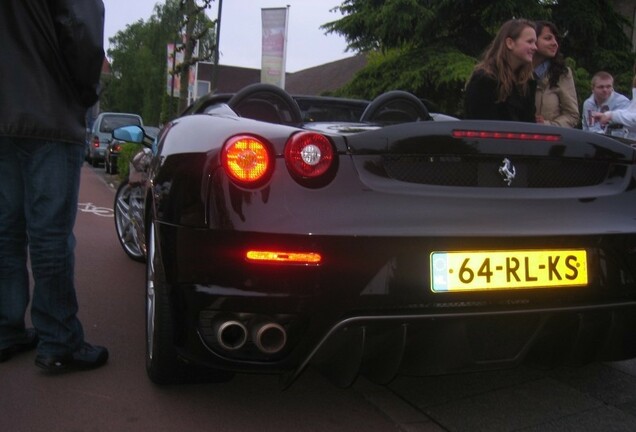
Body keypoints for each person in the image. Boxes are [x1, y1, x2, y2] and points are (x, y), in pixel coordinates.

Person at [0, 0, 109, 371]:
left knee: (6, 231)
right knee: (50, 234)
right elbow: (82, 29)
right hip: (47, 110)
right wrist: (85, 93)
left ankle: (6, 326)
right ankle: (59, 339)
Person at [464, 19, 537, 122]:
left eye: (535, 42)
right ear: (510, 43)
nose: (535, 47)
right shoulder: (484, 80)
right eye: (530, 42)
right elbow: (479, 126)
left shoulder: (527, 83)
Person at [533, 21, 579, 127]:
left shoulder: (562, 73)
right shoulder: (516, 71)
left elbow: (572, 115)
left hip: (549, 140)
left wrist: (547, 125)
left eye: (556, 39)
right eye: (548, 38)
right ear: (532, 40)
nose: (555, 43)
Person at [591, 74, 636, 139]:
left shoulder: (621, 100)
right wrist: (606, 115)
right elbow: (631, 111)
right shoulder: (588, 103)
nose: (604, 90)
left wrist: (612, 116)